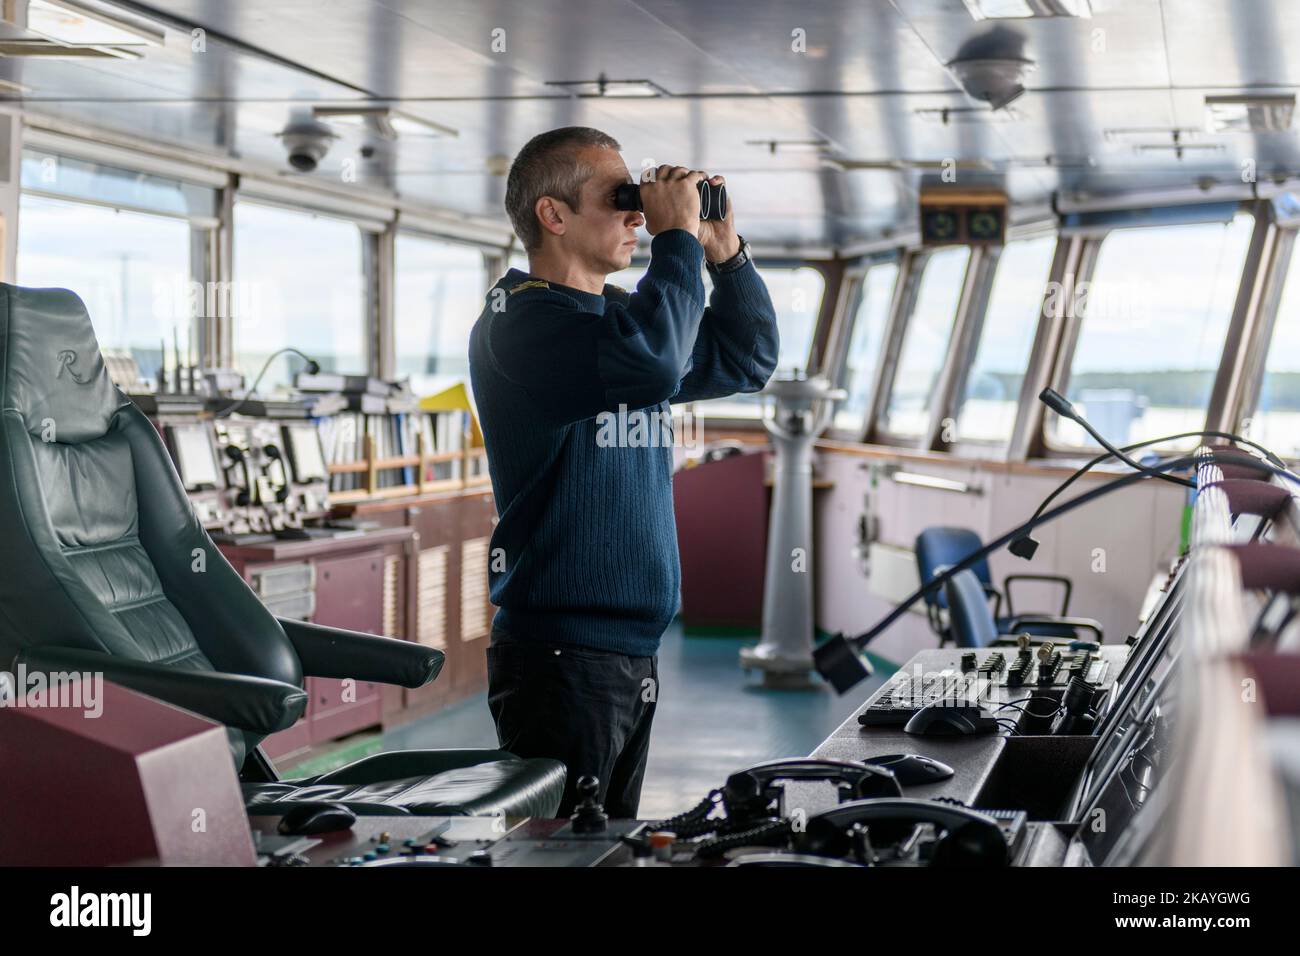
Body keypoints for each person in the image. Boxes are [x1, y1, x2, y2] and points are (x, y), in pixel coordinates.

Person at [468, 126, 779, 818]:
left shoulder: (618, 320)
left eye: (639, 202)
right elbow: (655, 361)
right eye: (620, 199)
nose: (639, 215)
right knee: (557, 862)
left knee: (607, 849)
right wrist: (675, 240)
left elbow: (745, 361)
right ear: (553, 215)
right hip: (558, 658)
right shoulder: (521, 324)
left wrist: (723, 254)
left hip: (627, 653)